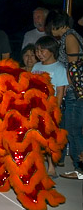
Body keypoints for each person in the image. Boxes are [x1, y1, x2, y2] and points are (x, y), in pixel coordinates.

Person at [46, 11, 83, 180]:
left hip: (75, 92)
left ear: (56, 25)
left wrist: (68, 88)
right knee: (70, 129)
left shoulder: (69, 37)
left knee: (74, 130)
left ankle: (79, 168)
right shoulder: (69, 36)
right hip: (74, 91)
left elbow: (73, 66)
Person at [32, 35, 68, 179]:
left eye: (42, 50)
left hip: (50, 108)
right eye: (37, 51)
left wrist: (55, 109)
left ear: (52, 50)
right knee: (35, 136)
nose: (39, 54)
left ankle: (51, 167)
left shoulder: (59, 68)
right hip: (36, 107)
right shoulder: (36, 67)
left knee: (49, 138)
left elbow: (60, 90)